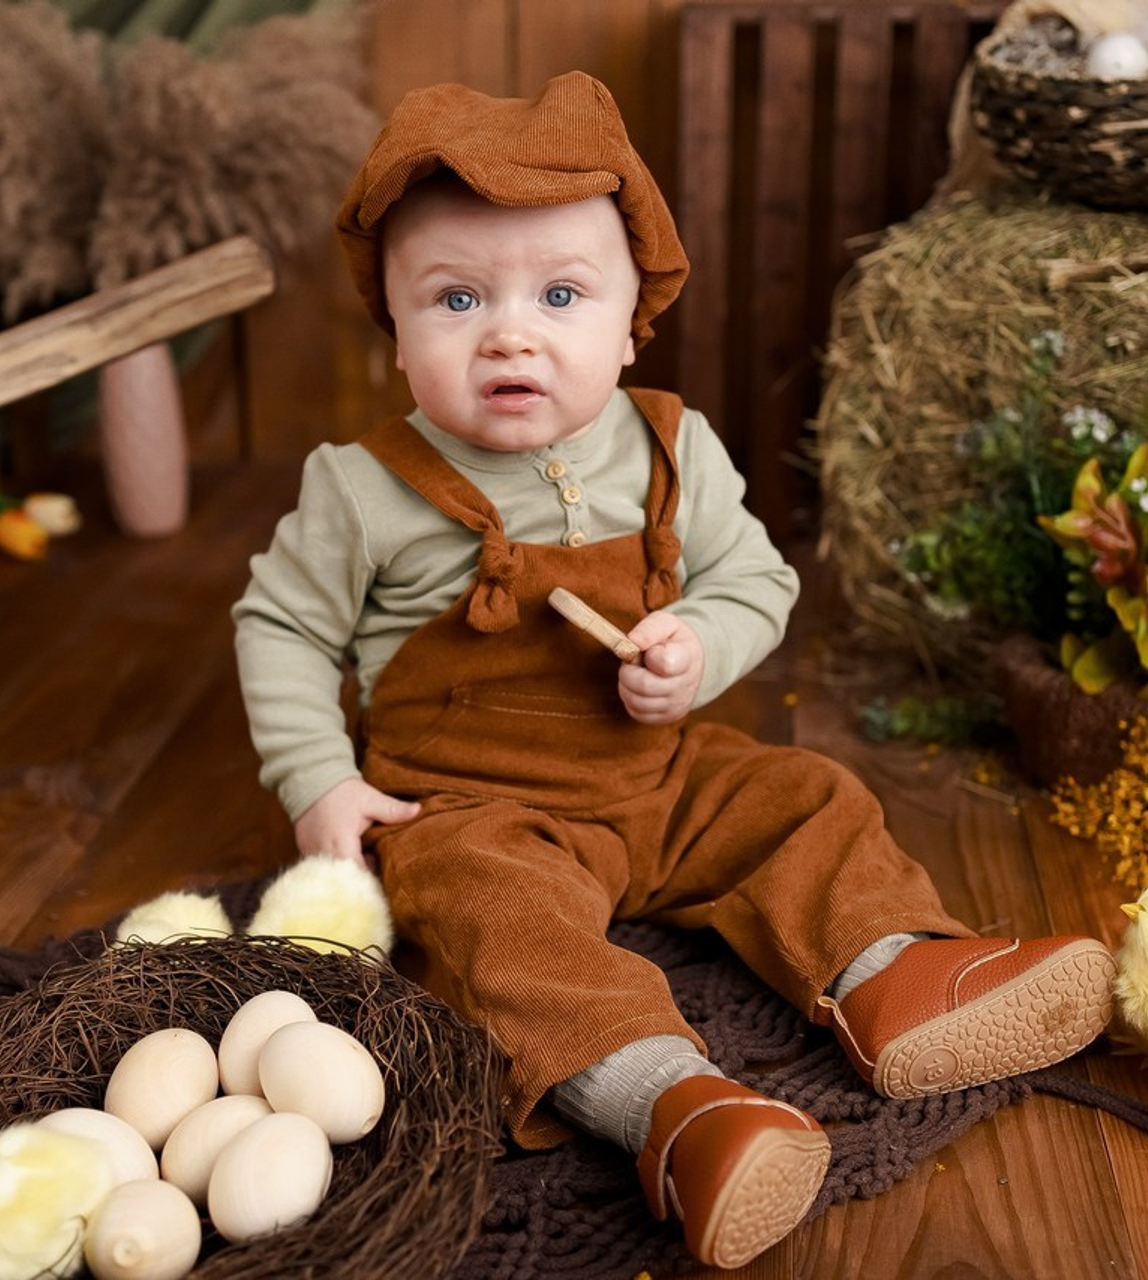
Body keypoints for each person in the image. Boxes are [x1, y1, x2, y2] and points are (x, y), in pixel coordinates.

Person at [232, 71, 1116, 1269]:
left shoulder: (669, 445)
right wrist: (316, 780)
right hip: (475, 801)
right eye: (453, 297)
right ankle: (673, 1106)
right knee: (489, 923)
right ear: (393, 328)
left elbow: (756, 580)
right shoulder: (362, 485)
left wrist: (696, 648)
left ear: (631, 317)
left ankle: (889, 975)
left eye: (558, 293)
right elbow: (279, 625)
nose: (509, 331)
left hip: (655, 767)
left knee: (802, 799)